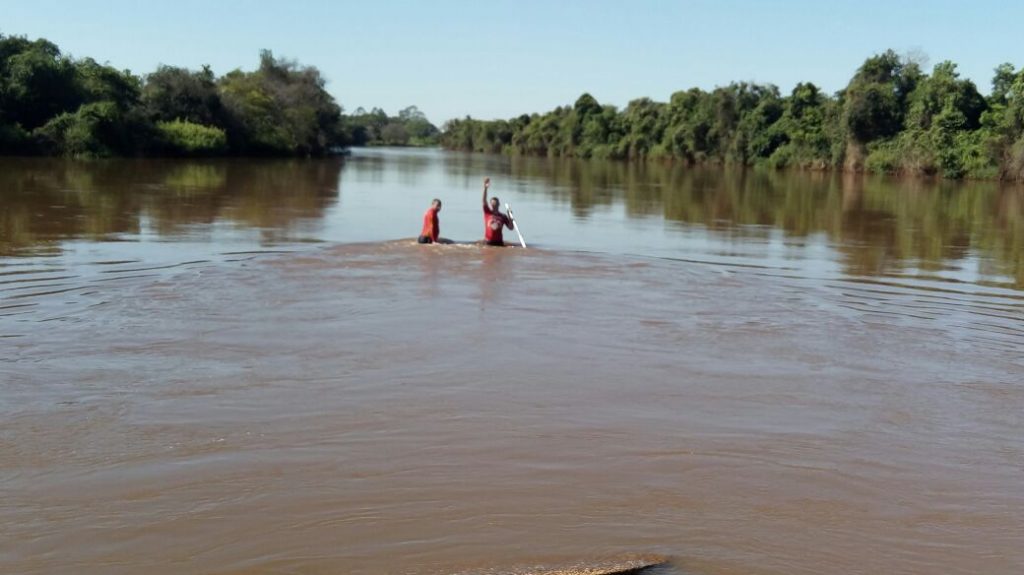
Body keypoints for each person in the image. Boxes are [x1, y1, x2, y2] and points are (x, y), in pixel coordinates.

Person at [481, 177, 513, 246]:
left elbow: (511, 228)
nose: (494, 204)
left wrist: (510, 216)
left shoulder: (503, 216)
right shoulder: (487, 212)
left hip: (499, 243)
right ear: (490, 204)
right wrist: (485, 188)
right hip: (488, 242)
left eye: (495, 203)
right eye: (492, 203)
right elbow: (484, 200)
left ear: (499, 204)